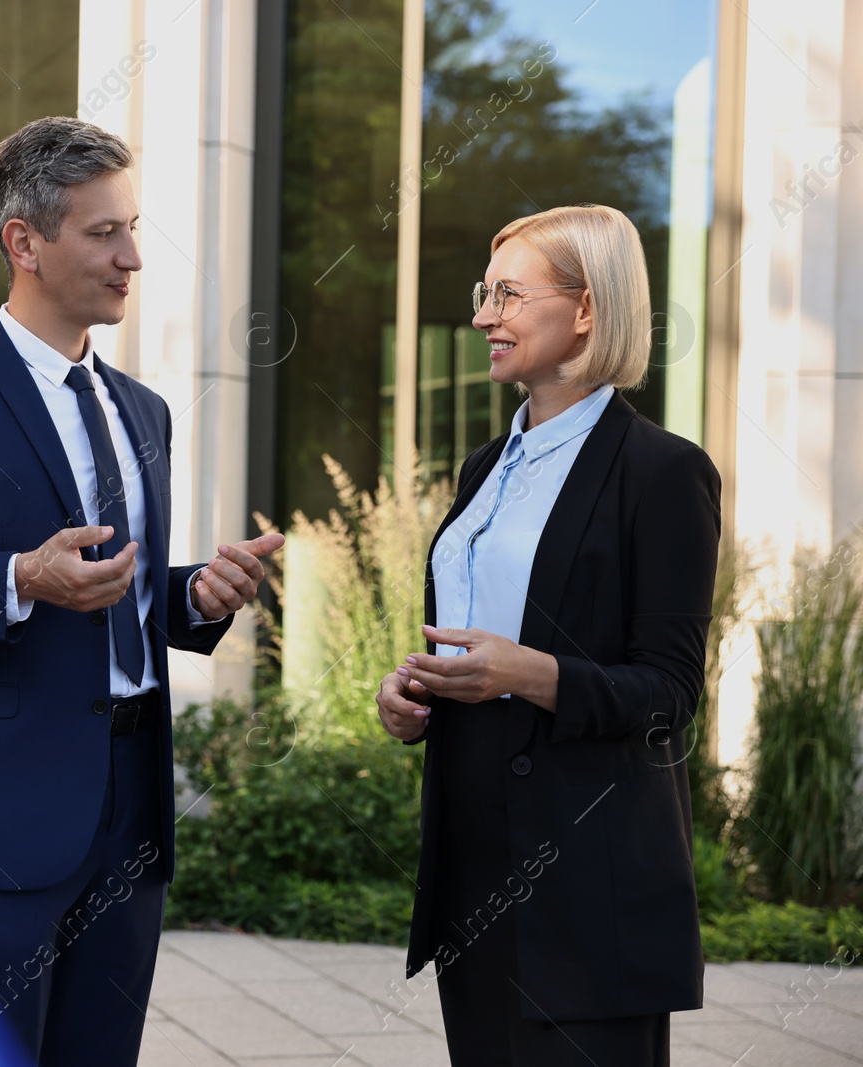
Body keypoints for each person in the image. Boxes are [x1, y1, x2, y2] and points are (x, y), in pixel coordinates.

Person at [0, 116, 282, 1065]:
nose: (134, 257)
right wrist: (18, 577)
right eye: (104, 232)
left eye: (133, 227)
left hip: (129, 812)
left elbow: (115, 584)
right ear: (23, 242)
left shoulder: (142, 409)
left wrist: (195, 594)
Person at [375, 204, 720, 1065]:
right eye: (484, 293)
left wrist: (528, 672)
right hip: (476, 872)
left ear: (587, 309)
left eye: (508, 294)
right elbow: (476, 640)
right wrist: (414, 691)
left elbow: (670, 696)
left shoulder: (664, 472)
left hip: (590, 889)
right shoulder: (485, 469)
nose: (484, 315)